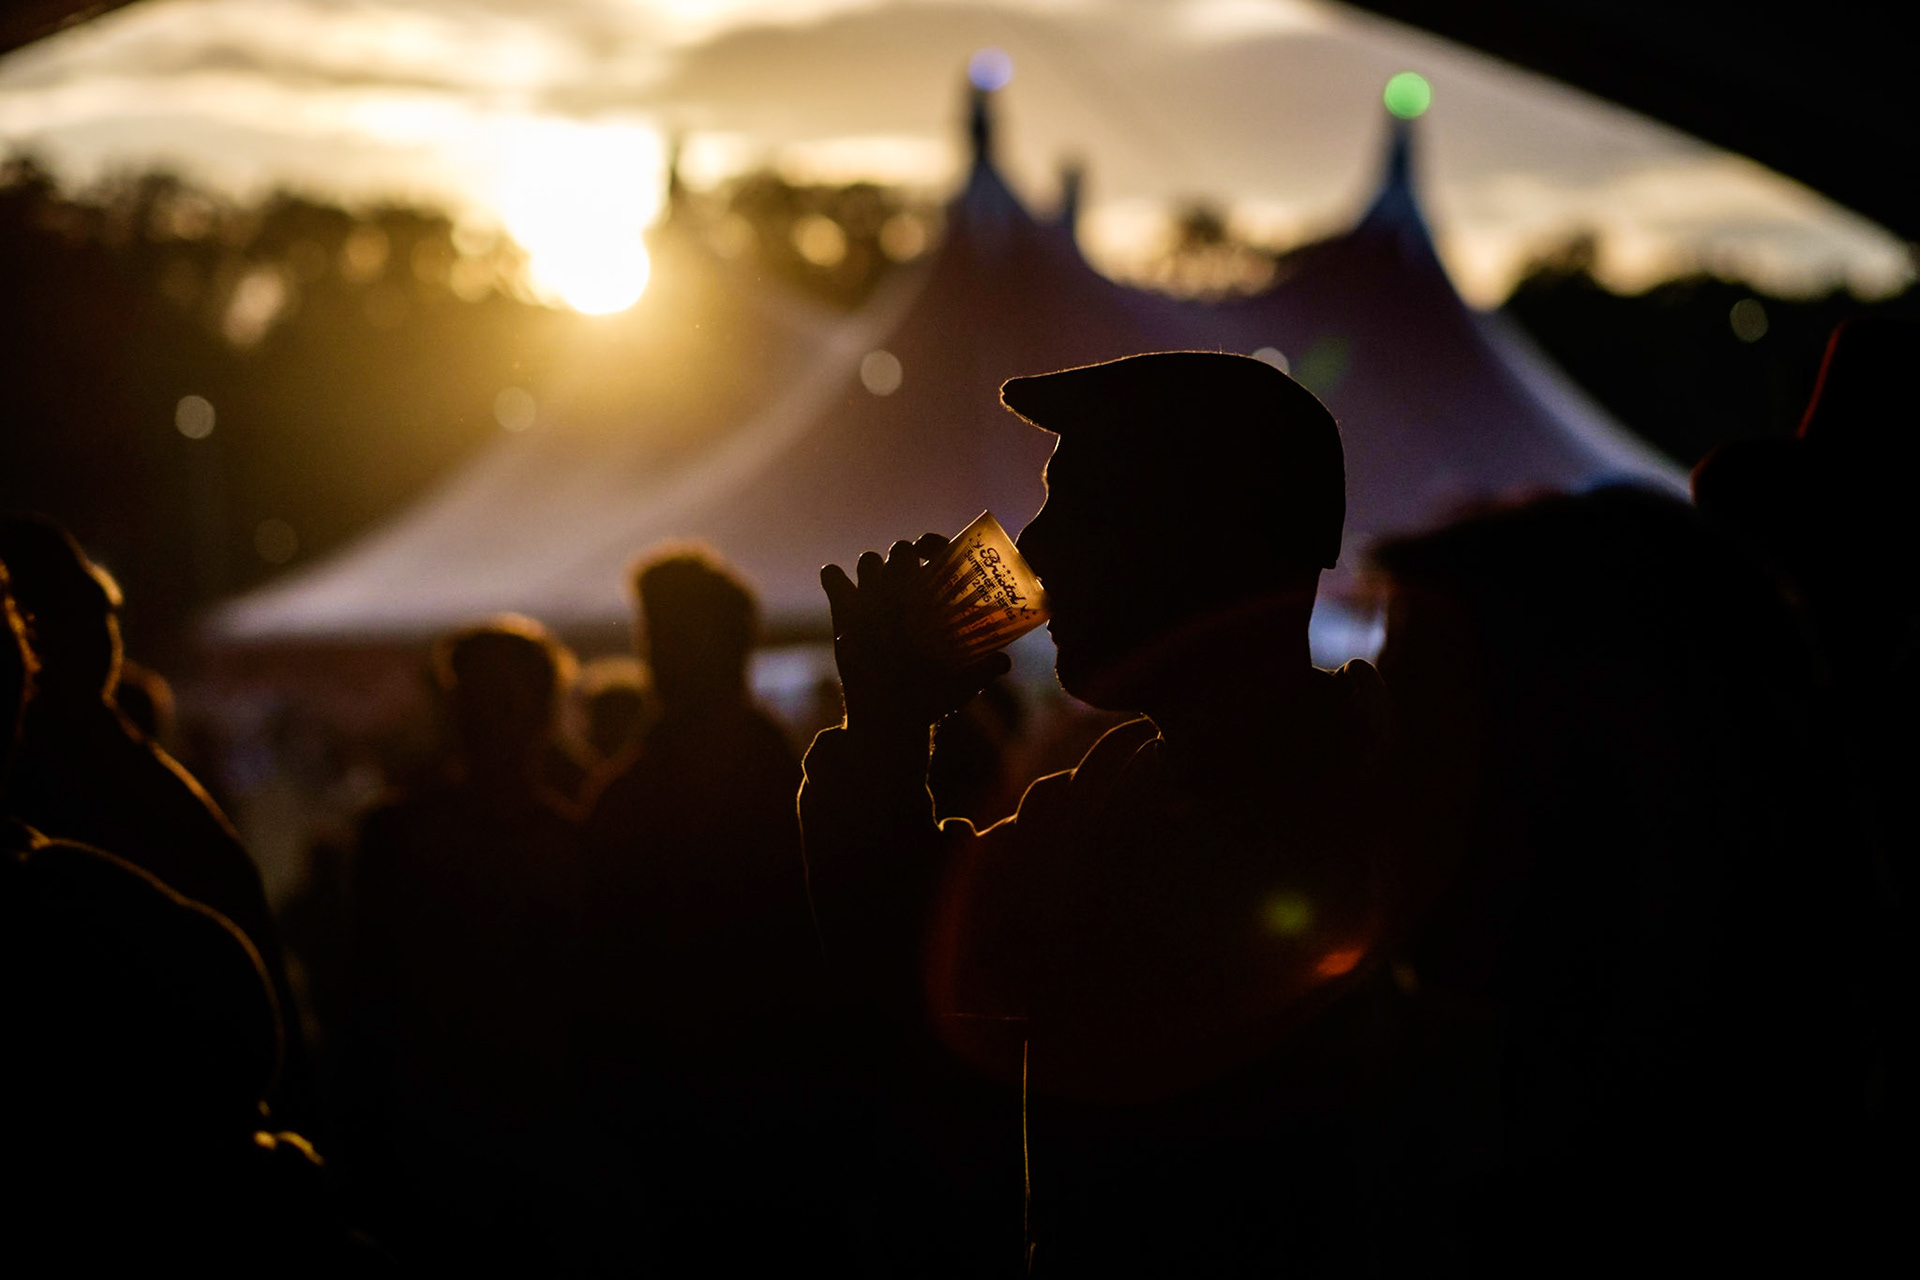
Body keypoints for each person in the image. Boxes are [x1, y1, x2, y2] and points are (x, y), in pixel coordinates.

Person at [800, 352, 1398, 1276]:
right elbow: (912, 946)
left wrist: (883, 735)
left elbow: (904, 956)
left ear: (1205, 538)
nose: (1034, 548)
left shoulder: (1373, 799)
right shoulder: (1127, 784)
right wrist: (884, 729)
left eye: (1081, 506)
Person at [575, 548, 827, 1271]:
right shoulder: (782, 773)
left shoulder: (648, 790)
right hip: (768, 1113)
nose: (652, 653)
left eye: (662, 634)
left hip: (692, 1113)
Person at [344, 617, 581, 1266]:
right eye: (477, 699)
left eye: (501, 699)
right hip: (489, 1144)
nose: (486, 717)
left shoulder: (395, 835)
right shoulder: (573, 846)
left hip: (453, 1143)